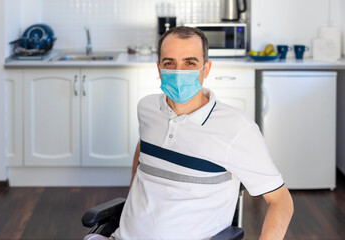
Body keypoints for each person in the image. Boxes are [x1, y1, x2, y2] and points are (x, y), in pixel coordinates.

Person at [89, 26, 294, 240]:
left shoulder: (236, 128)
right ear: (159, 69)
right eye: (169, 63)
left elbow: (281, 201)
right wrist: (133, 198)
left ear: (205, 69)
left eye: (190, 63)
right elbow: (143, 147)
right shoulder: (147, 108)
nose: (179, 72)